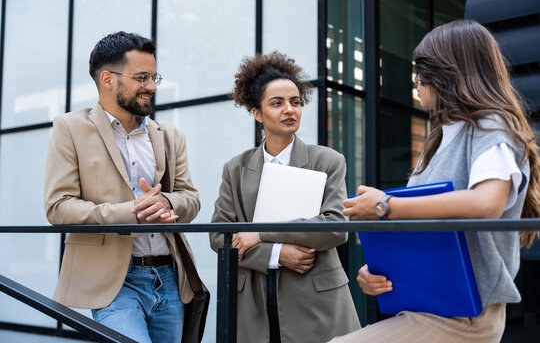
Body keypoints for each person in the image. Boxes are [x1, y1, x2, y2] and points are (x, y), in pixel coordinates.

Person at [330, 20, 540, 343]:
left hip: (465, 317)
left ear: (452, 70)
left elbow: (487, 203)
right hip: (425, 306)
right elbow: (422, 228)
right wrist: (377, 273)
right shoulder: (438, 139)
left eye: (422, 69)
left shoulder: (490, 125)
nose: (414, 79)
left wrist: (386, 206)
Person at [44, 32, 200, 343]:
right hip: (114, 281)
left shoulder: (170, 135)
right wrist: (130, 213)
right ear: (107, 79)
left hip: (170, 278)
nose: (152, 87)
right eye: (142, 77)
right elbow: (58, 206)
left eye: (154, 77)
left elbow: (190, 199)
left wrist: (168, 203)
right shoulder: (69, 128)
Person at [209, 51, 360, 343]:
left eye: (295, 102)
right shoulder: (235, 169)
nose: (289, 110)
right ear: (256, 113)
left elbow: (335, 226)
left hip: (316, 303)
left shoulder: (328, 160)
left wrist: (260, 234)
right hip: (252, 303)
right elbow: (219, 236)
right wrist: (277, 254)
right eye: (277, 103)